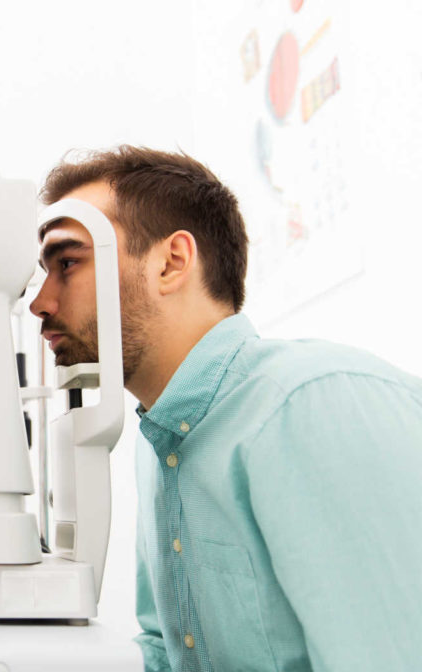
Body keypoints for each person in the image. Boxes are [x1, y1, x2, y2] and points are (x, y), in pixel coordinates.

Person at [30, 145, 422, 671]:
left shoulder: (313, 404)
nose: (41, 302)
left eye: (69, 263)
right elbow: (168, 653)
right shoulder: (162, 444)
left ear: (171, 263)